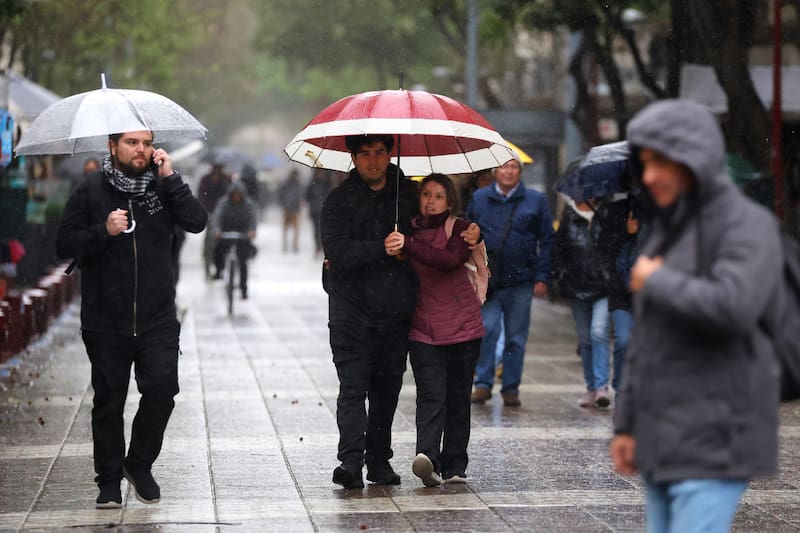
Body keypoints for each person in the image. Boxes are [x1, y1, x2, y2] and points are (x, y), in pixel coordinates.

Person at [609, 100, 783, 533]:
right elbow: (645, 341)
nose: (648, 177)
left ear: (694, 157)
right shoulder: (668, 230)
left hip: (718, 434)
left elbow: (736, 307)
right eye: (644, 163)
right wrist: (628, 425)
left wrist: (658, 281)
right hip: (663, 432)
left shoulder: (747, 224)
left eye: (660, 162)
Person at [56, 130, 207, 509]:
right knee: (109, 401)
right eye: (131, 142)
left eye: (145, 142)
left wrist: (172, 179)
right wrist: (102, 231)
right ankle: (108, 481)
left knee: (162, 390)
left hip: (157, 317)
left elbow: (196, 221)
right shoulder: (90, 189)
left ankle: (138, 463)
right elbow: (63, 244)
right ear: (113, 147)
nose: (140, 149)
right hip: (106, 319)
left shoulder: (161, 188)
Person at [321, 134, 479, 489]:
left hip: (395, 310)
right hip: (349, 309)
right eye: (365, 155)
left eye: (379, 153)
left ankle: (379, 460)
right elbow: (338, 252)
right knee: (352, 386)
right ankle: (350, 460)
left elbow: (440, 225)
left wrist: (473, 230)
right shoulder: (337, 201)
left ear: (390, 153)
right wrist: (381, 249)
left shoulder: (409, 196)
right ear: (354, 157)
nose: (373, 162)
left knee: (386, 387)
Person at [386, 174, 485, 487]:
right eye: (426, 194)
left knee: (457, 398)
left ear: (450, 201)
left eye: (438, 196)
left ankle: (455, 463)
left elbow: (448, 260)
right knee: (430, 394)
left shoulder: (460, 229)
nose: (430, 201)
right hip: (422, 327)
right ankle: (427, 457)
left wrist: (409, 246)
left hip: (462, 328)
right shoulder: (407, 230)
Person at [466, 154, 554, 407]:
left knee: (516, 336)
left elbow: (546, 239)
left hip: (521, 280)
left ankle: (511, 387)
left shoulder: (535, 200)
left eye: (514, 167)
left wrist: (542, 275)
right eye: (504, 167)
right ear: (496, 171)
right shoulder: (480, 199)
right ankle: (482, 383)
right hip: (490, 282)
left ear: (520, 171)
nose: (509, 171)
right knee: (486, 330)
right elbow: (468, 233)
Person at [211, 181, 257, 299]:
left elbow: (252, 218)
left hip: (242, 234)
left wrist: (251, 231)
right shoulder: (224, 203)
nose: (236, 197)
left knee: (243, 262)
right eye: (234, 194)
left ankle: (243, 287)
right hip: (226, 233)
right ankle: (219, 270)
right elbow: (217, 216)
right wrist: (217, 230)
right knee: (218, 250)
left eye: (239, 195)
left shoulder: (248, 204)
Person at [198, 162, 232, 277]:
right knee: (209, 241)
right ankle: (208, 265)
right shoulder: (206, 180)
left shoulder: (226, 180)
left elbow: (229, 195)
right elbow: (201, 195)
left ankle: (219, 268)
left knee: (220, 242)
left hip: (223, 214)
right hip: (209, 212)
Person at [305, 167, 334, 256]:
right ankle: (317, 246)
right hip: (315, 211)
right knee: (316, 230)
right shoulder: (312, 184)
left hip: (325, 212)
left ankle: (322, 246)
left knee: (324, 230)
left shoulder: (328, 185)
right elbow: (307, 196)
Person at [279, 168, 302, 253]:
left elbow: (281, 195)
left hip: (289, 208)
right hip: (291, 209)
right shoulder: (296, 184)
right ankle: (291, 245)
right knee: (293, 229)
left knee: (288, 229)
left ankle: (290, 245)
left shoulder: (290, 183)